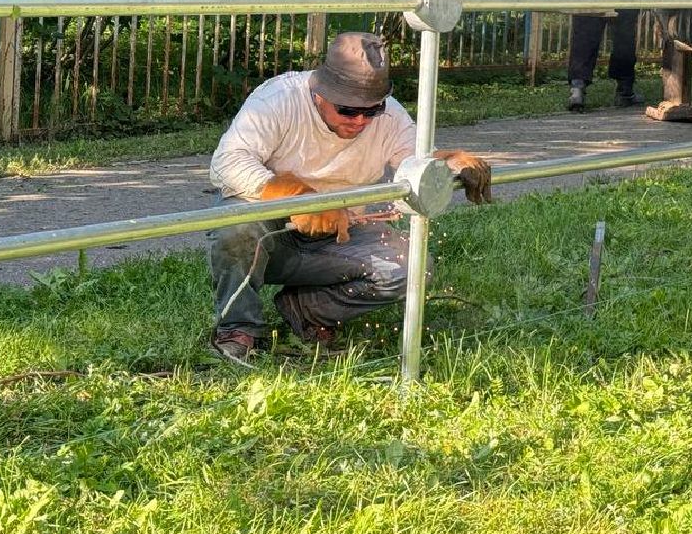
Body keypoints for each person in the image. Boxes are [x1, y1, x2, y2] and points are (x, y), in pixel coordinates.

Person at [206, 31, 492, 365]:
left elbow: (414, 162)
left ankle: (307, 310)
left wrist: (448, 163)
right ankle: (238, 327)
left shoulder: (390, 115)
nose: (360, 121)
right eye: (347, 110)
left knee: (412, 266)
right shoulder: (278, 99)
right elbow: (226, 163)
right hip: (271, 229)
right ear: (319, 95)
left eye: (371, 111)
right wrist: (298, 198)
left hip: (341, 231)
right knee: (235, 229)